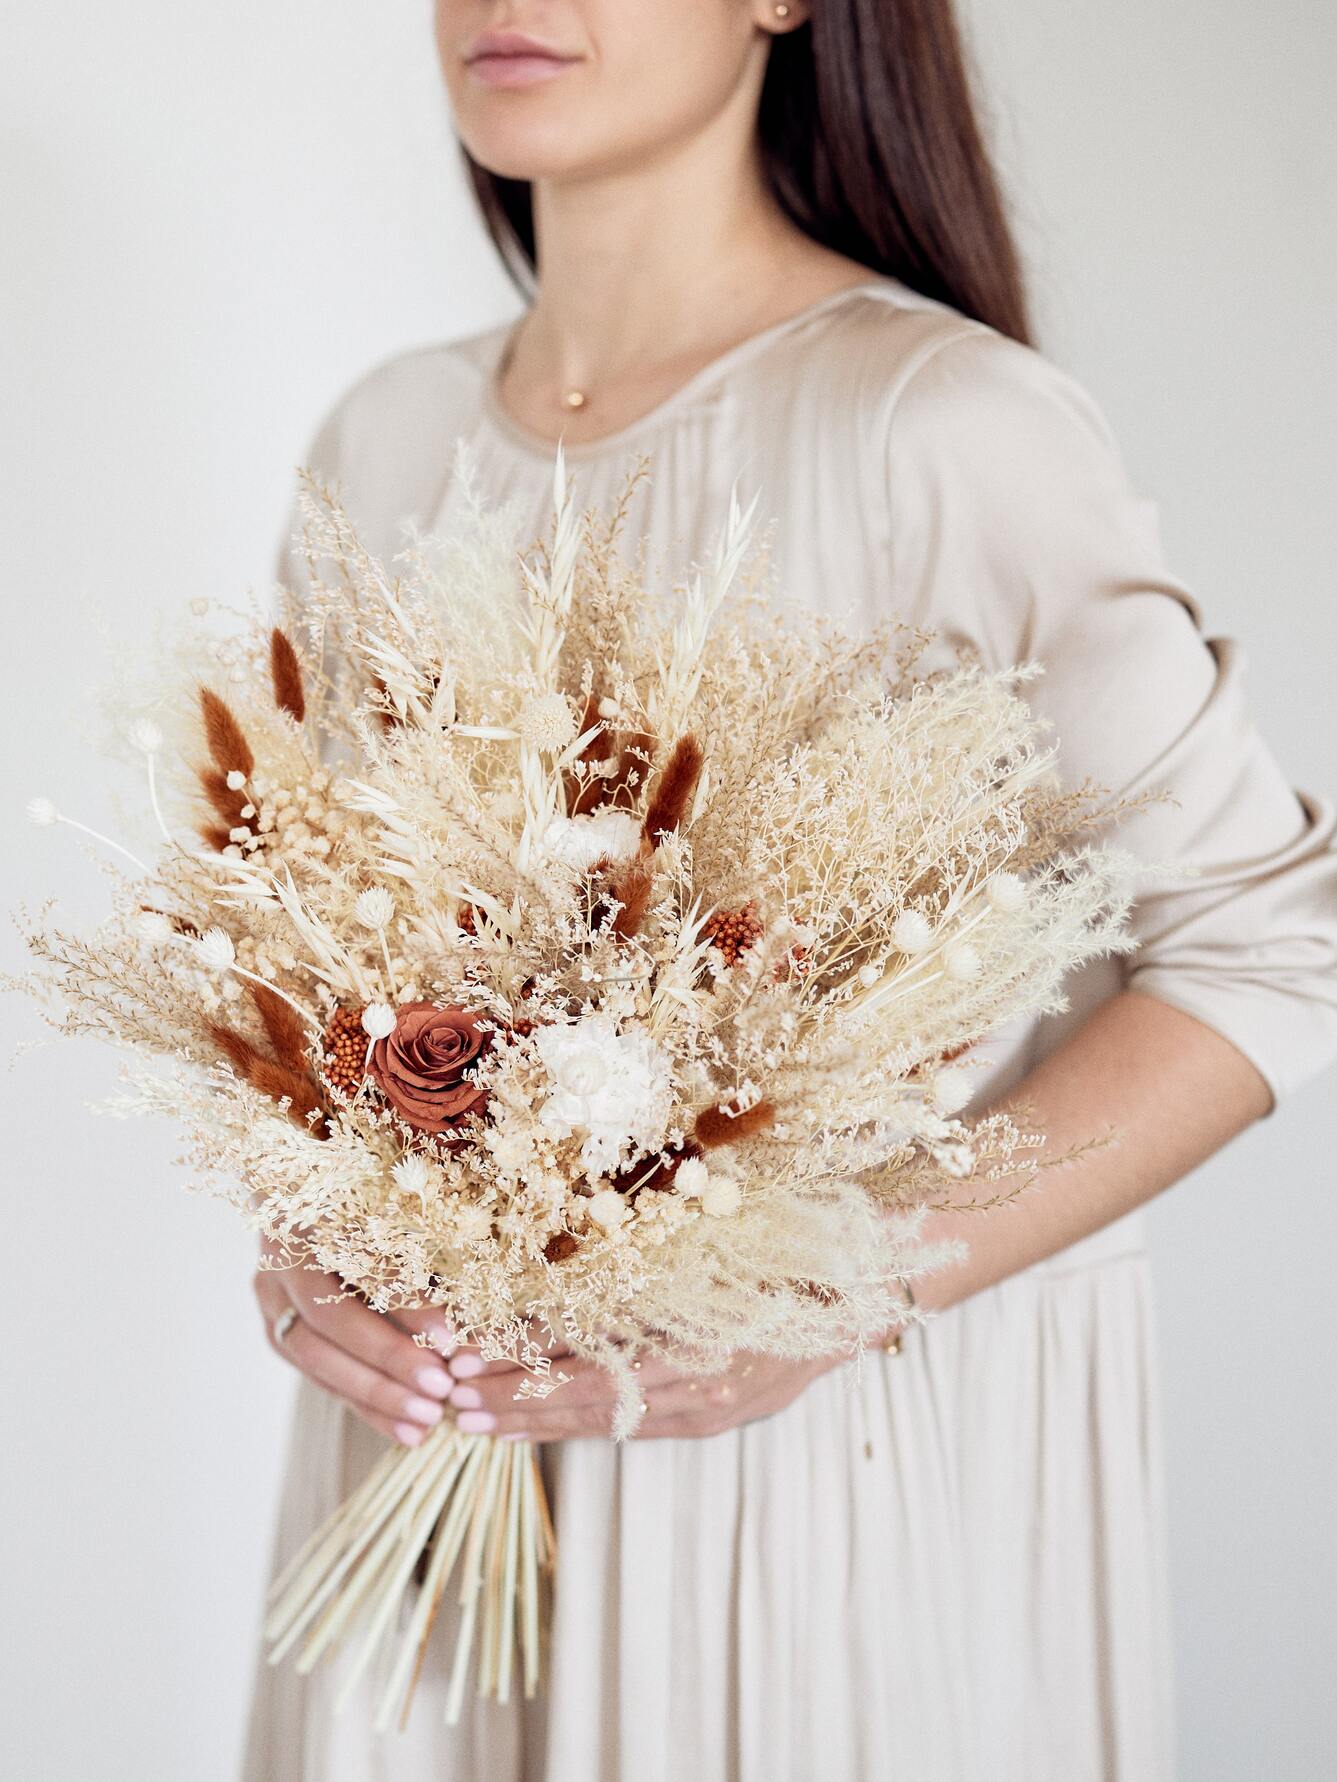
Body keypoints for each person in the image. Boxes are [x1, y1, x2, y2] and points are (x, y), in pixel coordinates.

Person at [244, 4, 1337, 1777]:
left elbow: (1271, 949)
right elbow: (307, 980)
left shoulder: (943, 427)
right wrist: (311, 1243)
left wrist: (842, 1283)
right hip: (433, 1511)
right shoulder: (379, 441)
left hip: (809, 1494)